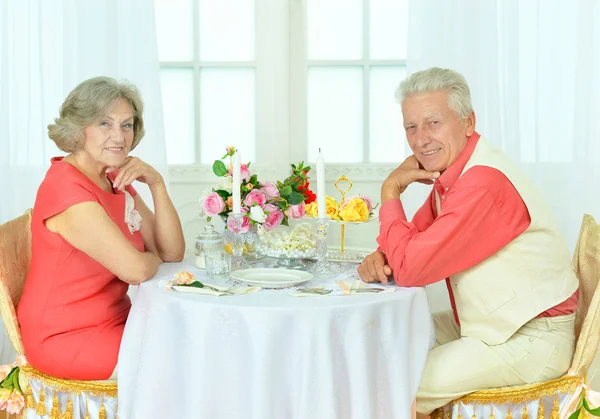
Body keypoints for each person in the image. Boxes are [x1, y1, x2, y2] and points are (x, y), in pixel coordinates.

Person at [357, 67, 579, 416]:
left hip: (529, 337)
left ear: (468, 122)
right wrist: (384, 253)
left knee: (395, 384)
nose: (420, 140)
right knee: (383, 344)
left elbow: (411, 267)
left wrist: (390, 190)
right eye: (410, 127)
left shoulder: (481, 184)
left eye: (433, 123)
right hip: (487, 322)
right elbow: (413, 241)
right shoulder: (456, 173)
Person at [17, 76, 185, 380]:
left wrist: (157, 184)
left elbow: (171, 253)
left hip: (117, 319)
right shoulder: (66, 188)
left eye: (126, 124)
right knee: (180, 361)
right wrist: (151, 260)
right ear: (78, 129)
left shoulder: (113, 178)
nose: (119, 137)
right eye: (104, 124)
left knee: (194, 340)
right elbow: (135, 271)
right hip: (66, 335)